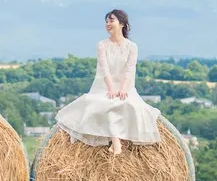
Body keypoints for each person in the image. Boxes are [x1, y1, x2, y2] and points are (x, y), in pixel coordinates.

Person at [55, 9, 161, 155]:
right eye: (106, 21)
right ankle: (116, 141)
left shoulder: (132, 47)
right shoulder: (102, 45)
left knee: (130, 105)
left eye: (111, 20)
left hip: (126, 87)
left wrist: (123, 89)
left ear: (122, 24)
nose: (108, 24)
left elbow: (129, 70)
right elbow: (104, 69)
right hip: (103, 86)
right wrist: (111, 89)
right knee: (107, 103)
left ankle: (116, 142)